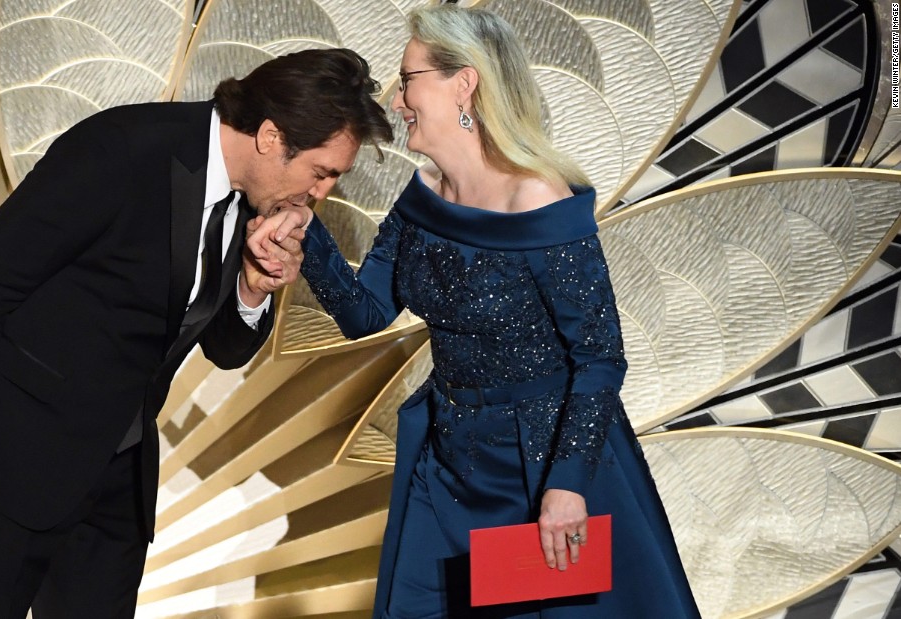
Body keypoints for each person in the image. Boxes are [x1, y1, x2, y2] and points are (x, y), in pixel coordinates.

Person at [0, 48, 394, 619]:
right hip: (16, 461)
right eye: (321, 172)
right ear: (272, 137)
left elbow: (225, 350)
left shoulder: (248, 202)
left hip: (119, 482)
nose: (321, 193)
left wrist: (253, 286)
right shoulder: (121, 149)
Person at [253, 7, 700, 618]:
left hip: (538, 471)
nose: (398, 98)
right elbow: (367, 314)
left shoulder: (540, 200)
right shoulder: (424, 195)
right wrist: (311, 237)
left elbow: (599, 360)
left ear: (463, 83)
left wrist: (565, 488)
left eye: (408, 78)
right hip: (447, 463)